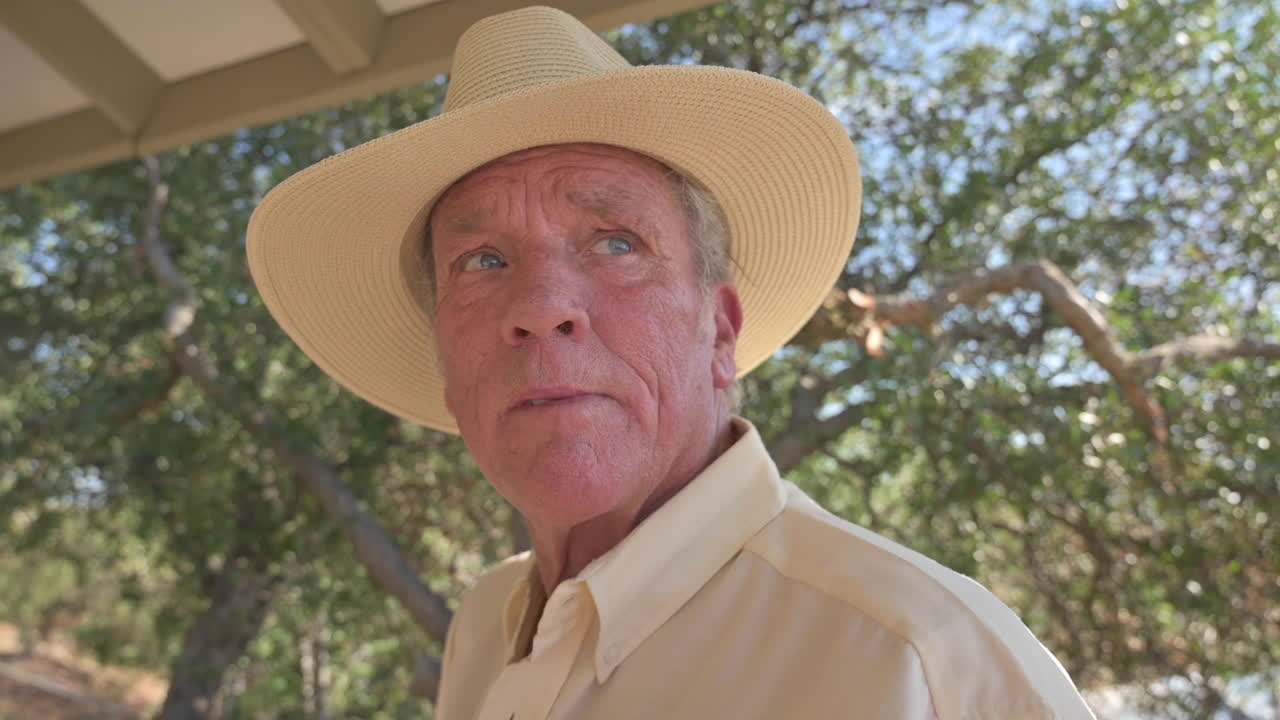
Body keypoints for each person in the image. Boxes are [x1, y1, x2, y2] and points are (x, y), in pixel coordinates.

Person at [248, 6, 1097, 719]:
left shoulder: (918, 660)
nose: (543, 307)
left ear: (719, 331)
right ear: (444, 354)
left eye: (616, 242)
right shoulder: (484, 626)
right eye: (483, 262)